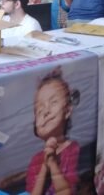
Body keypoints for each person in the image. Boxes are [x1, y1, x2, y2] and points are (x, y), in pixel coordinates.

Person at [26, 67, 81, 195]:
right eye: (39, 110)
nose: (45, 111)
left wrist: (52, 164)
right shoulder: (36, 160)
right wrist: (44, 166)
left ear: (67, 111)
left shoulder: (73, 149)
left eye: (53, 102)